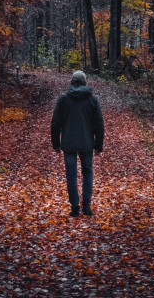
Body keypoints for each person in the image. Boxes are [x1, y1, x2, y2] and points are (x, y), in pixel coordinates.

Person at [51, 70, 104, 217]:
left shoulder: (64, 99)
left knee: (71, 175)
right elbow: (99, 124)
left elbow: (55, 123)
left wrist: (56, 143)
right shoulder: (92, 100)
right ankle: (86, 205)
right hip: (87, 143)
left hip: (68, 143)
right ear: (85, 82)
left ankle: (75, 207)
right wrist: (98, 145)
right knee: (87, 172)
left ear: (72, 82)